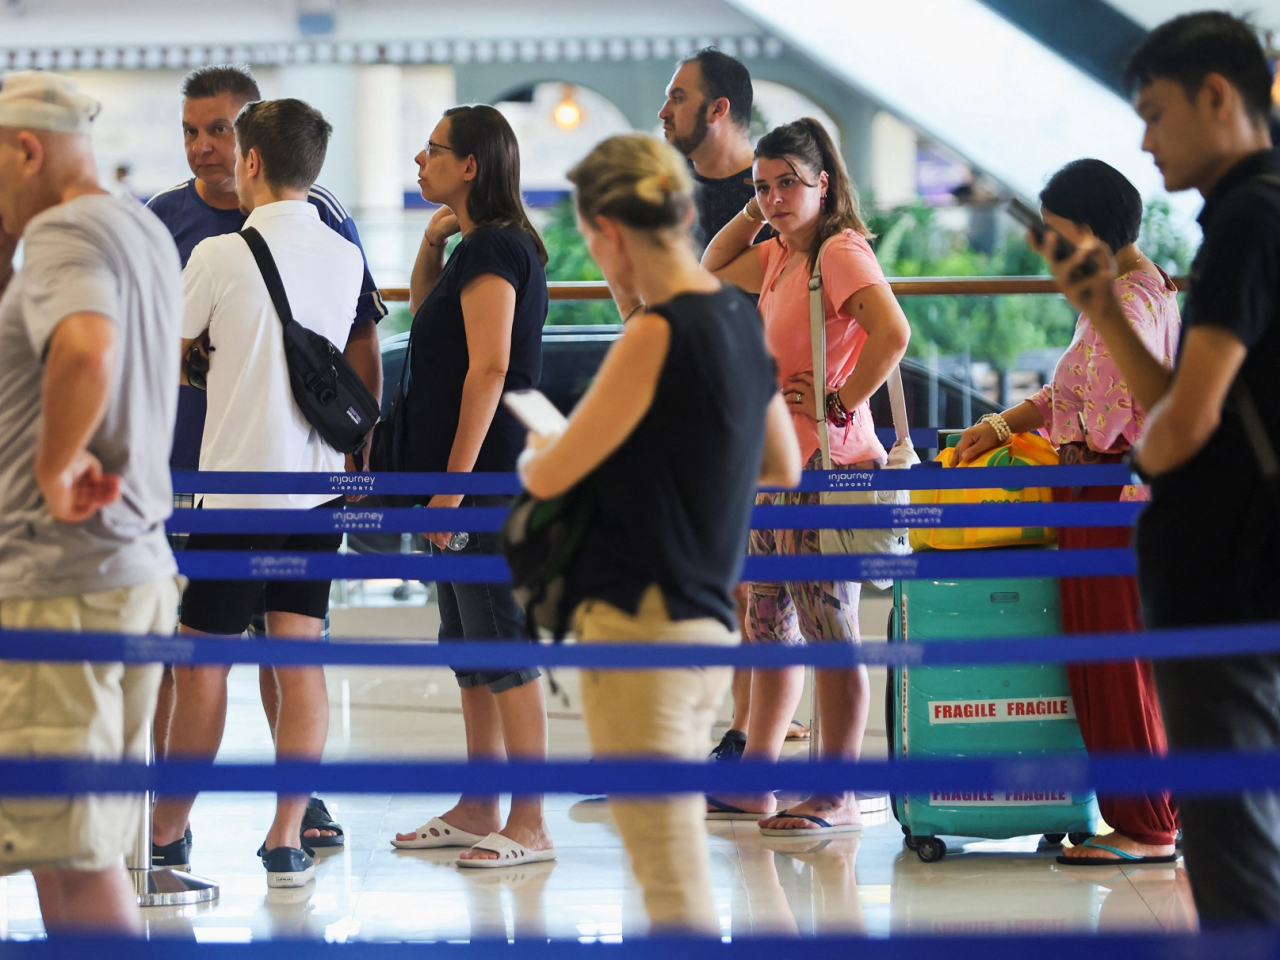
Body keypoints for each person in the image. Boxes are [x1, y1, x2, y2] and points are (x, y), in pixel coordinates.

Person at [517, 132, 800, 933]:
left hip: (640, 624)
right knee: (671, 868)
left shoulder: (655, 333)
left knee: (668, 877)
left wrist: (545, 448)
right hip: (707, 620)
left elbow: (549, 475)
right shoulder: (734, 318)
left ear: (609, 229)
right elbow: (782, 463)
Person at [1034, 11, 1280, 922]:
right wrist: (1098, 308)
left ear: (1216, 96)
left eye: (1154, 113)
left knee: (1233, 844)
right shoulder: (1242, 221)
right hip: (1234, 558)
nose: (1146, 141)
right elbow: (1179, 395)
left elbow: (1186, 419)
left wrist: (1137, 459)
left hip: (1225, 563)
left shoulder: (1251, 218)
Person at [147, 64, 382, 858]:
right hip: (318, 490)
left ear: (251, 158)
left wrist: (206, 365)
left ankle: (167, 830)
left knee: (200, 665)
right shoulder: (343, 253)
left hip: (239, 491)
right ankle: (287, 834)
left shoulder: (219, 253)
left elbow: (166, 356)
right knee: (298, 656)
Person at [955, 158, 1182, 865]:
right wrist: (1000, 425)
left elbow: (1113, 414)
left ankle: (1146, 825)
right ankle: (1146, 817)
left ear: (1088, 231)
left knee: (1115, 661)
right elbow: (1070, 394)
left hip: (1108, 496)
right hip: (1106, 496)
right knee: (1117, 659)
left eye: (1056, 234)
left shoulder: (1129, 305)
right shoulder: (1132, 291)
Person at [0, 71, 182, 934]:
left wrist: (53, 465)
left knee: (77, 857)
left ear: (26, 149)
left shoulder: (63, 231)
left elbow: (87, 349)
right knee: (81, 843)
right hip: (128, 568)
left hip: (61, 581)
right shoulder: (137, 225)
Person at [702, 118, 911, 835]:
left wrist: (840, 400)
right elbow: (713, 261)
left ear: (825, 183)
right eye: (763, 186)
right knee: (768, 624)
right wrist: (757, 208)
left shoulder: (839, 251)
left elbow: (893, 333)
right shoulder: (781, 253)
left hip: (827, 468)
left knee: (827, 626)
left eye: (788, 182)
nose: (774, 198)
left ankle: (836, 790)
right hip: (778, 470)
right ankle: (757, 780)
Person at [389, 105, 554, 867]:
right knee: (469, 644)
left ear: (471, 165)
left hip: (481, 482)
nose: (419, 161)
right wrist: (432, 241)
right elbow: (427, 317)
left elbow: (489, 368)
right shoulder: (477, 245)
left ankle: (530, 822)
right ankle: (481, 804)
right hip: (462, 480)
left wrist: (452, 487)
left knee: (502, 643)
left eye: (433, 150)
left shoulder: (493, 245)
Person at [659, 46, 778, 763]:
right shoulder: (667, 192)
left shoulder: (774, 191)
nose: (664, 110)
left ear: (719, 108)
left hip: (750, 410)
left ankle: (746, 733)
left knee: (749, 585)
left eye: (678, 96)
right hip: (681, 402)